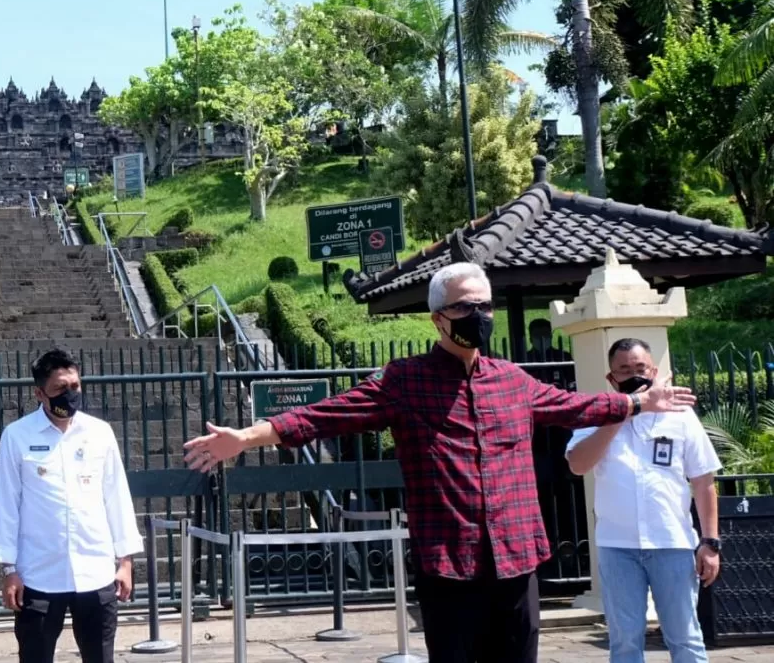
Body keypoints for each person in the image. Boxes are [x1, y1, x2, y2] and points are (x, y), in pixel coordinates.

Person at [183, 262, 697, 663]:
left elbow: (575, 406)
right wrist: (247, 437)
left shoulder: (513, 381)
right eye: (466, 307)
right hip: (449, 561)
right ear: (438, 318)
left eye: (485, 305)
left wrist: (635, 403)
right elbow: (325, 415)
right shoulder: (403, 381)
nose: (480, 316)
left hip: (517, 558)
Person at [566, 338, 721, 663]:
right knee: (624, 642)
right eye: (625, 370)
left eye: (641, 369)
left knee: (685, 639)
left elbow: (704, 480)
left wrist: (710, 542)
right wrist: (624, 412)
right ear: (612, 378)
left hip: (673, 544)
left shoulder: (680, 415)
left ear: (654, 371)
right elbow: (578, 464)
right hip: (618, 547)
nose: (634, 375)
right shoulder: (598, 414)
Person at [0, 348, 143, 663]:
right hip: (39, 574)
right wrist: (9, 570)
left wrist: (124, 561)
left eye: (74, 386)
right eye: (60, 389)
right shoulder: (17, 437)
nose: (70, 394)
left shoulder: (99, 433)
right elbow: (7, 504)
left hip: (95, 571)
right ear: (39, 393)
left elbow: (117, 497)